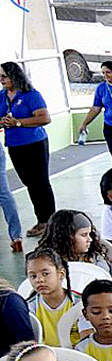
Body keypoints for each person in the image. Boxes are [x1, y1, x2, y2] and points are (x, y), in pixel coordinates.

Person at [1, 62, 55, 242]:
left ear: (14, 76)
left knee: (40, 182)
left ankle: (48, 221)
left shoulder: (31, 95)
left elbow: (44, 118)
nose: (1, 80)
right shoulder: (2, 96)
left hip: (35, 143)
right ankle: (42, 220)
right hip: (15, 145)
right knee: (29, 183)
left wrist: (18, 122)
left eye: (4, 77)